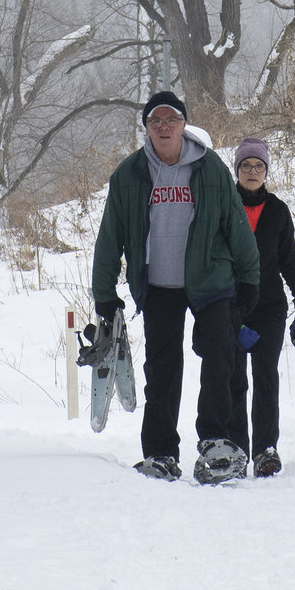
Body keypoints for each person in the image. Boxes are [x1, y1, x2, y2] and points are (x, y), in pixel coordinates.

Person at [92, 90, 261, 483]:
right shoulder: (130, 174)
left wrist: (250, 279)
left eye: (171, 120)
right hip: (160, 285)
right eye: (156, 121)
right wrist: (104, 292)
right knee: (163, 370)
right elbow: (109, 236)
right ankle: (161, 452)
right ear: (147, 129)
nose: (164, 127)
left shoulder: (210, 168)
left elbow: (237, 227)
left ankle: (216, 444)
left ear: (184, 126)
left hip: (211, 282)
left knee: (220, 359)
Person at [227, 137, 295, 478]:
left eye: (258, 166)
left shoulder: (278, 211)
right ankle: (235, 449)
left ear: (266, 171)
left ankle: (266, 449)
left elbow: (288, 261)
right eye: (246, 166)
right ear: (237, 170)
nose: (252, 172)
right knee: (234, 377)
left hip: (269, 308)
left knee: (265, 377)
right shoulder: (226, 204)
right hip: (233, 307)